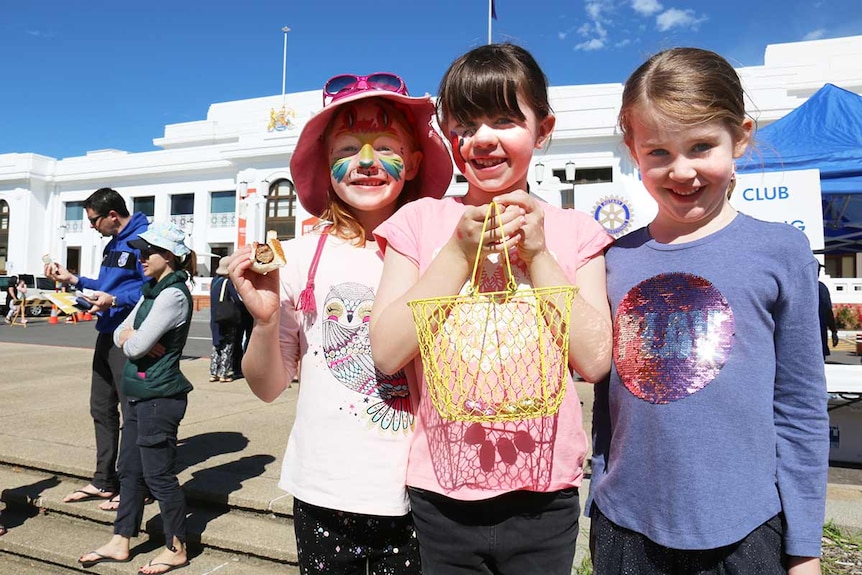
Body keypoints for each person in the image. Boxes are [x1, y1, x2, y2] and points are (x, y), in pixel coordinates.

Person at [370, 43, 614, 574]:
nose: (481, 139)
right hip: (440, 492)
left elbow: (594, 361)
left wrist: (540, 256)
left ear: (542, 130)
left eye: (505, 119)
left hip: (545, 493)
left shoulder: (576, 233)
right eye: (465, 124)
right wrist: (457, 252)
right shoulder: (418, 223)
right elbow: (387, 352)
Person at [588, 47, 829, 575]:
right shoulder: (613, 260)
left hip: (747, 530)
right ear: (633, 149)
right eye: (658, 153)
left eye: (701, 146)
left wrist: (805, 545)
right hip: (627, 529)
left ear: (740, 136)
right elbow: (609, 405)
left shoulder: (780, 252)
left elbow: (801, 408)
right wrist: (598, 499)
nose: (682, 171)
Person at [228, 71, 453, 574]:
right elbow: (267, 387)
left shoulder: (442, 253)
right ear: (326, 164)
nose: (367, 162)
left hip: (426, 487)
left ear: (414, 162)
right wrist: (264, 323)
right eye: (348, 148)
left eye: (386, 146)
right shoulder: (294, 257)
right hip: (326, 488)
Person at [77, 222, 196, 575]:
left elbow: (137, 345)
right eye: (141, 251)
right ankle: (121, 539)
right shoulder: (151, 290)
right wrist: (133, 337)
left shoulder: (172, 295)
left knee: (158, 476)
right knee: (129, 472)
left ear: (170, 256)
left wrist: (134, 338)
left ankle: (177, 547)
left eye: (148, 252)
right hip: (138, 390)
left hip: (160, 395)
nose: (141, 257)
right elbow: (118, 334)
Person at [45, 187, 149, 507]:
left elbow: (155, 289)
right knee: (101, 408)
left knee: (132, 412)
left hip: (128, 336)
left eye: (94, 221)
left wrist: (116, 300)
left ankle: (136, 486)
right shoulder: (114, 243)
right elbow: (106, 288)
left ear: (112, 215)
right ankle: (104, 480)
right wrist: (74, 281)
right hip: (107, 332)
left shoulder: (144, 239)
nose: (92, 227)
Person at [209, 256, 243, 382]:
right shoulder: (227, 282)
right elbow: (237, 298)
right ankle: (224, 373)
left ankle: (213, 372)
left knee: (216, 344)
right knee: (227, 345)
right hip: (227, 317)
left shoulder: (214, 281)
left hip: (215, 317)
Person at [819, 271, 839, 359]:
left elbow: (828, 311)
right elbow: (828, 312)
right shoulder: (822, 288)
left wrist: (834, 331)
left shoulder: (821, 288)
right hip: (818, 336)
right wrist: (833, 331)